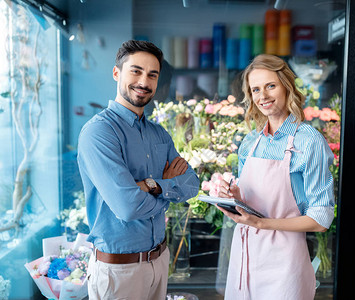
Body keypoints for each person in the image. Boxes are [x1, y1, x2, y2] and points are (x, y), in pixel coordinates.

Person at [77, 40, 200, 300]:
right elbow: (127, 207)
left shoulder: (159, 134)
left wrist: (150, 186)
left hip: (159, 259)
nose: (144, 81)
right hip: (119, 271)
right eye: (136, 71)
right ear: (116, 73)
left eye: (152, 75)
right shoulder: (99, 132)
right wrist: (167, 190)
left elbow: (191, 184)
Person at [217, 54, 335, 299]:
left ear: (286, 86)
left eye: (271, 86)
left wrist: (263, 223)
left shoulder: (308, 140)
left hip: (285, 264)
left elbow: (321, 219)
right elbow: (251, 204)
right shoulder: (251, 141)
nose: (263, 96)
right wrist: (235, 196)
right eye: (256, 89)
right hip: (245, 255)